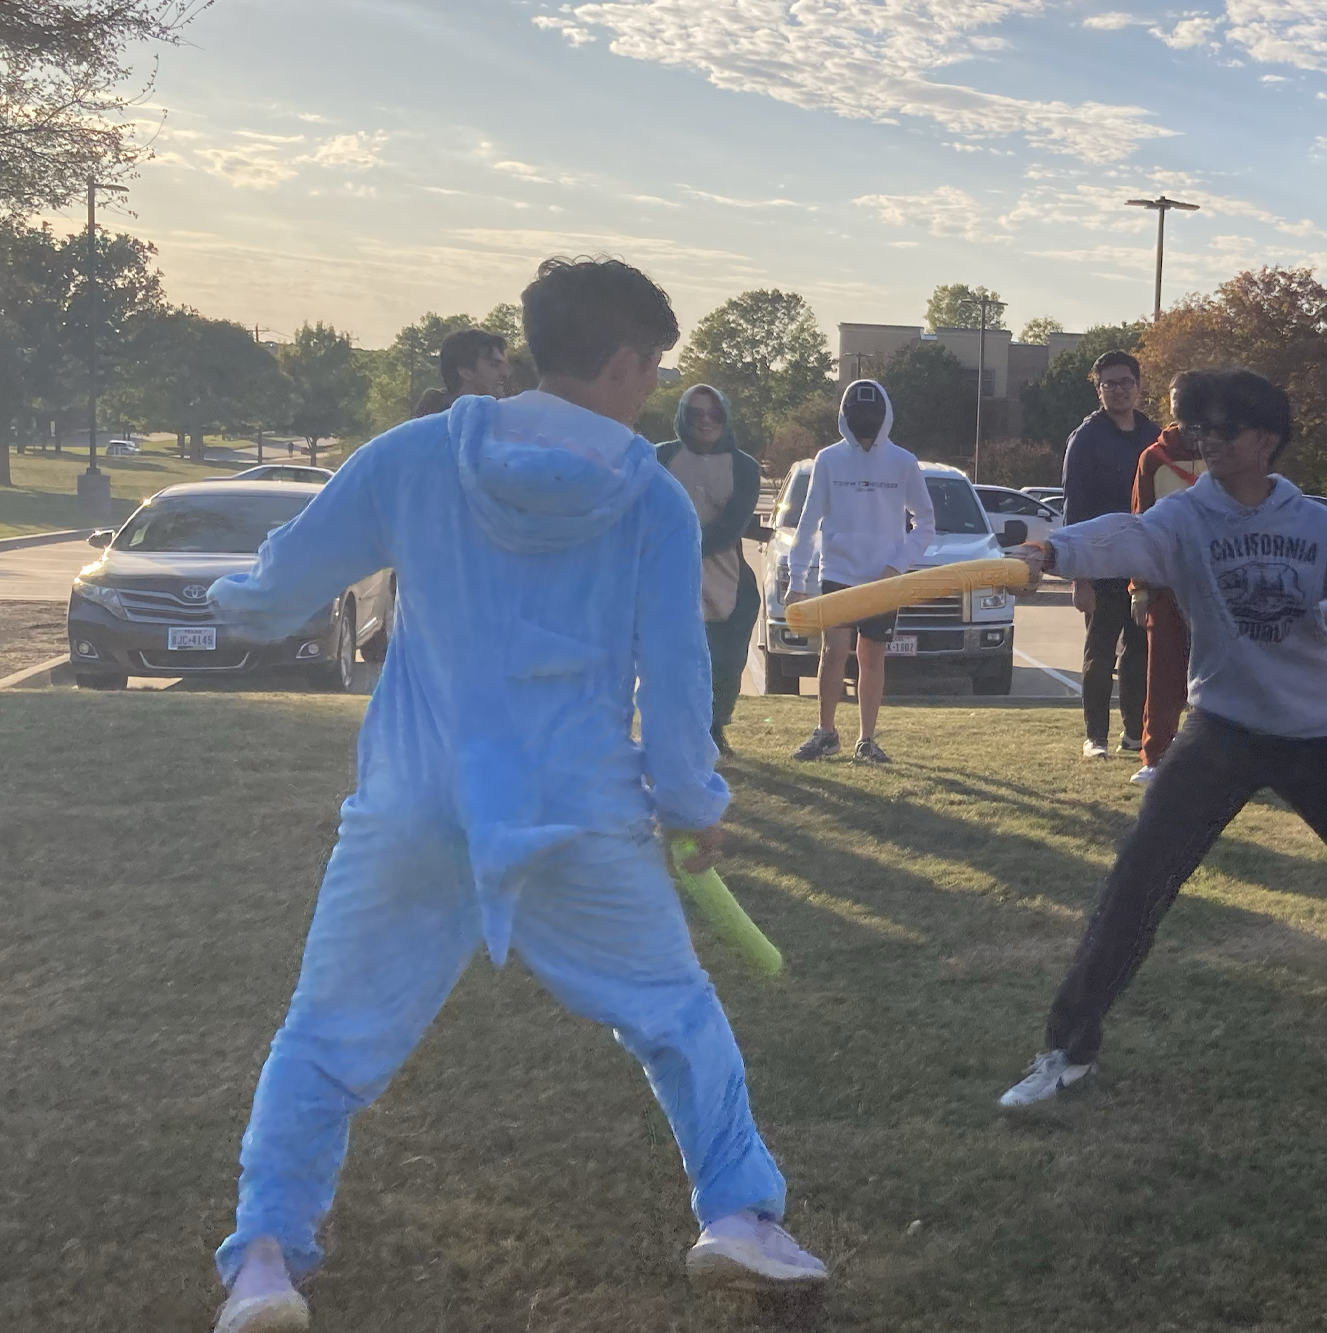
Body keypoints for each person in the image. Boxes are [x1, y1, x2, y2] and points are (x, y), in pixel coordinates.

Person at [202, 258, 825, 1333]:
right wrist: (693, 803)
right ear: (626, 360)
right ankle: (737, 1212)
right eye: (654, 369)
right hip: (579, 810)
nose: (653, 389)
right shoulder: (652, 499)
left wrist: (232, 597)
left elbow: (274, 592)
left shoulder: (414, 456)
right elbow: (676, 684)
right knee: (675, 1016)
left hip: (415, 801)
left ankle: (265, 1255)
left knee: (325, 1032)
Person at [996, 368, 1327, 1108]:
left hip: (1315, 731)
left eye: (1225, 431)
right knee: (1137, 882)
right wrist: (1050, 552)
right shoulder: (1187, 517)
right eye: (1202, 431)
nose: (1210, 444)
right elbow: (1123, 536)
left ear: (1267, 439)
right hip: (1222, 728)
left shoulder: (1319, 524)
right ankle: (1068, 1050)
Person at [787, 379, 936, 766]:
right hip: (838, 570)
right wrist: (797, 579)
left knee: (872, 657)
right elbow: (808, 521)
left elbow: (926, 522)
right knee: (833, 652)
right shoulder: (829, 460)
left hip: (883, 577)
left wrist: (897, 566)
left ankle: (866, 740)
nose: (867, 439)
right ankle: (826, 733)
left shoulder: (903, 462)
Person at [657, 383, 762, 756]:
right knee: (673, 662)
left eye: (713, 413)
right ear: (683, 417)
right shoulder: (659, 458)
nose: (705, 421)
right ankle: (674, 732)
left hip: (728, 583)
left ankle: (716, 728)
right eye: (695, 413)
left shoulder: (745, 467)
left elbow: (731, 527)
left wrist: (674, 543)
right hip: (668, 581)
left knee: (724, 662)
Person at [1060, 350, 1155, 759]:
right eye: (1109, 384)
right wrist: (1079, 578)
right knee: (1100, 652)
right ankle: (1094, 737)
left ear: (1138, 386)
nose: (1118, 391)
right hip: (1099, 563)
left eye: (1125, 383)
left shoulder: (1153, 435)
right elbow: (1074, 509)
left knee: (1140, 653)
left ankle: (1134, 735)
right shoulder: (1085, 438)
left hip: (1143, 564)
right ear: (1098, 389)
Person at [1127, 371, 1207, 785]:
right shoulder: (1153, 458)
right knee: (1162, 675)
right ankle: (1155, 756)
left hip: (1216, 583)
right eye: (1176, 398)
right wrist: (1139, 588)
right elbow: (1142, 524)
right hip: (1166, 582)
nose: (1181, 405)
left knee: (1215, 675)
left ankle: (1213, 761)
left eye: (1189, 398)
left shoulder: (1225, 449)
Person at [412, 328, 510, 416]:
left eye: (504, 365)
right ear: (465, 372)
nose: (505, 374)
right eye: (493, 365)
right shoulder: (432, 419)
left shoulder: (507, 416)